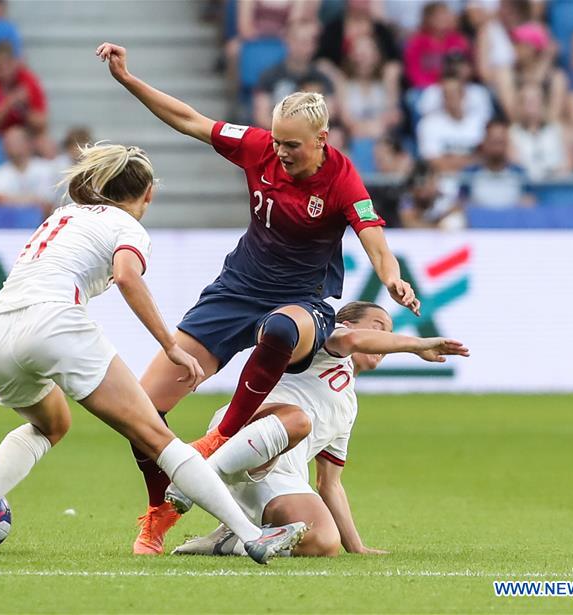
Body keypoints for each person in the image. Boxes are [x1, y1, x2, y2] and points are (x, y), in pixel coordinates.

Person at [97, 41, 420, 555]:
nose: (281, 151)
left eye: (293, 145)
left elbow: (374, 239)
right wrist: (128, 80)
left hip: (302, 300)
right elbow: (189, 119)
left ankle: (221, 438)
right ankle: (158, 515)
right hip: (236, 289)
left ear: (322, 139)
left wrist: (393, 277)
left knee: (280, 330)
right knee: (144, 409)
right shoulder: (258, 146)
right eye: (277, 141)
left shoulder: (342, 179)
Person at [0, 142, 308, 565]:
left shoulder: (62, 215)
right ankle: (251, 536)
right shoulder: (128, 226)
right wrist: (171, 345)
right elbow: (126, 276)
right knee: (156, 437)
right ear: (148, 193)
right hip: (52, 322)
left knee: (51, 425)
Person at [169, 301, 469, 557]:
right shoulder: (325, 341)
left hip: (279, 476)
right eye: (379, 328)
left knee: (324, 542)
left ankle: (228, 540)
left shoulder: (348, 407)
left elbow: (330, 484)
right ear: (348, 324)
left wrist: (357, 547)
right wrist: (417, 345)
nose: (386, 340)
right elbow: (351, 340)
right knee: (298, 420)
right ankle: (196, 477)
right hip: (245, 434)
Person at [0, 40, 50, 154]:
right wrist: (8, 104)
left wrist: (24, 109)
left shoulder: (28, 80)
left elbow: (41, 123)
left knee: (46, 145)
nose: (3, 70)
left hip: (24, 135)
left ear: (15, 62)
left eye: (7, 64)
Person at [252, 21, 334, 129]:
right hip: (276, 137)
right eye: (302, 42)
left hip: (310, 139)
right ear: (288, 42)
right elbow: (261, 117)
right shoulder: (269, 75)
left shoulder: (322, 77)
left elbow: (330, 113)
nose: (307, 47)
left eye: (311, 42)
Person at [417, 74, 487, 172]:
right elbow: (432, 162)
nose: (451, 98)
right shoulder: (428, 124)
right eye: (447, 94)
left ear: (463, 94)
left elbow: (487, 158)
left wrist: (450, 159)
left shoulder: (480, 123)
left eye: (455, 93)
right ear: (442, 96)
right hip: (444, 179)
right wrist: (471, 160)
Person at [459, 119, 533, 209]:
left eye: (500, 142)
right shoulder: (470, 173)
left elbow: (530, 202)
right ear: (484, 143)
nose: (497, 148)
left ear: (507, 143)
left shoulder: (520, 173)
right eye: (493, 142)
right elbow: (461, 202)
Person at [509, 83, 572, 180]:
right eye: (526, 101)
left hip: (556, 184)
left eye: (535, 100)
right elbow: (515, 166)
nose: (531, 105)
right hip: (527, 186)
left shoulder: (557, 130)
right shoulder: (512, 133)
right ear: (519, 105)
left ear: (543, 103)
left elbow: (569, 164)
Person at [0, 125, 56, 210]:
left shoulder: (46, 168)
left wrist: (12, 200)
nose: (12, 146)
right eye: (8, 142)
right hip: (8, 221)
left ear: (29, 143)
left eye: (17, 141)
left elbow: (47, 202)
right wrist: (33, 200)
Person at [402, 1, 470, 90]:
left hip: (455, 88)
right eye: (439, 15)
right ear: (428, 19)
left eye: (446, 14)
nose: (444, 18)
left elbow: (467, 67)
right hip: (425, 88)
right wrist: (434, 86)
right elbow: (413, 72)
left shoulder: (458, 40)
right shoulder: (416, 42)